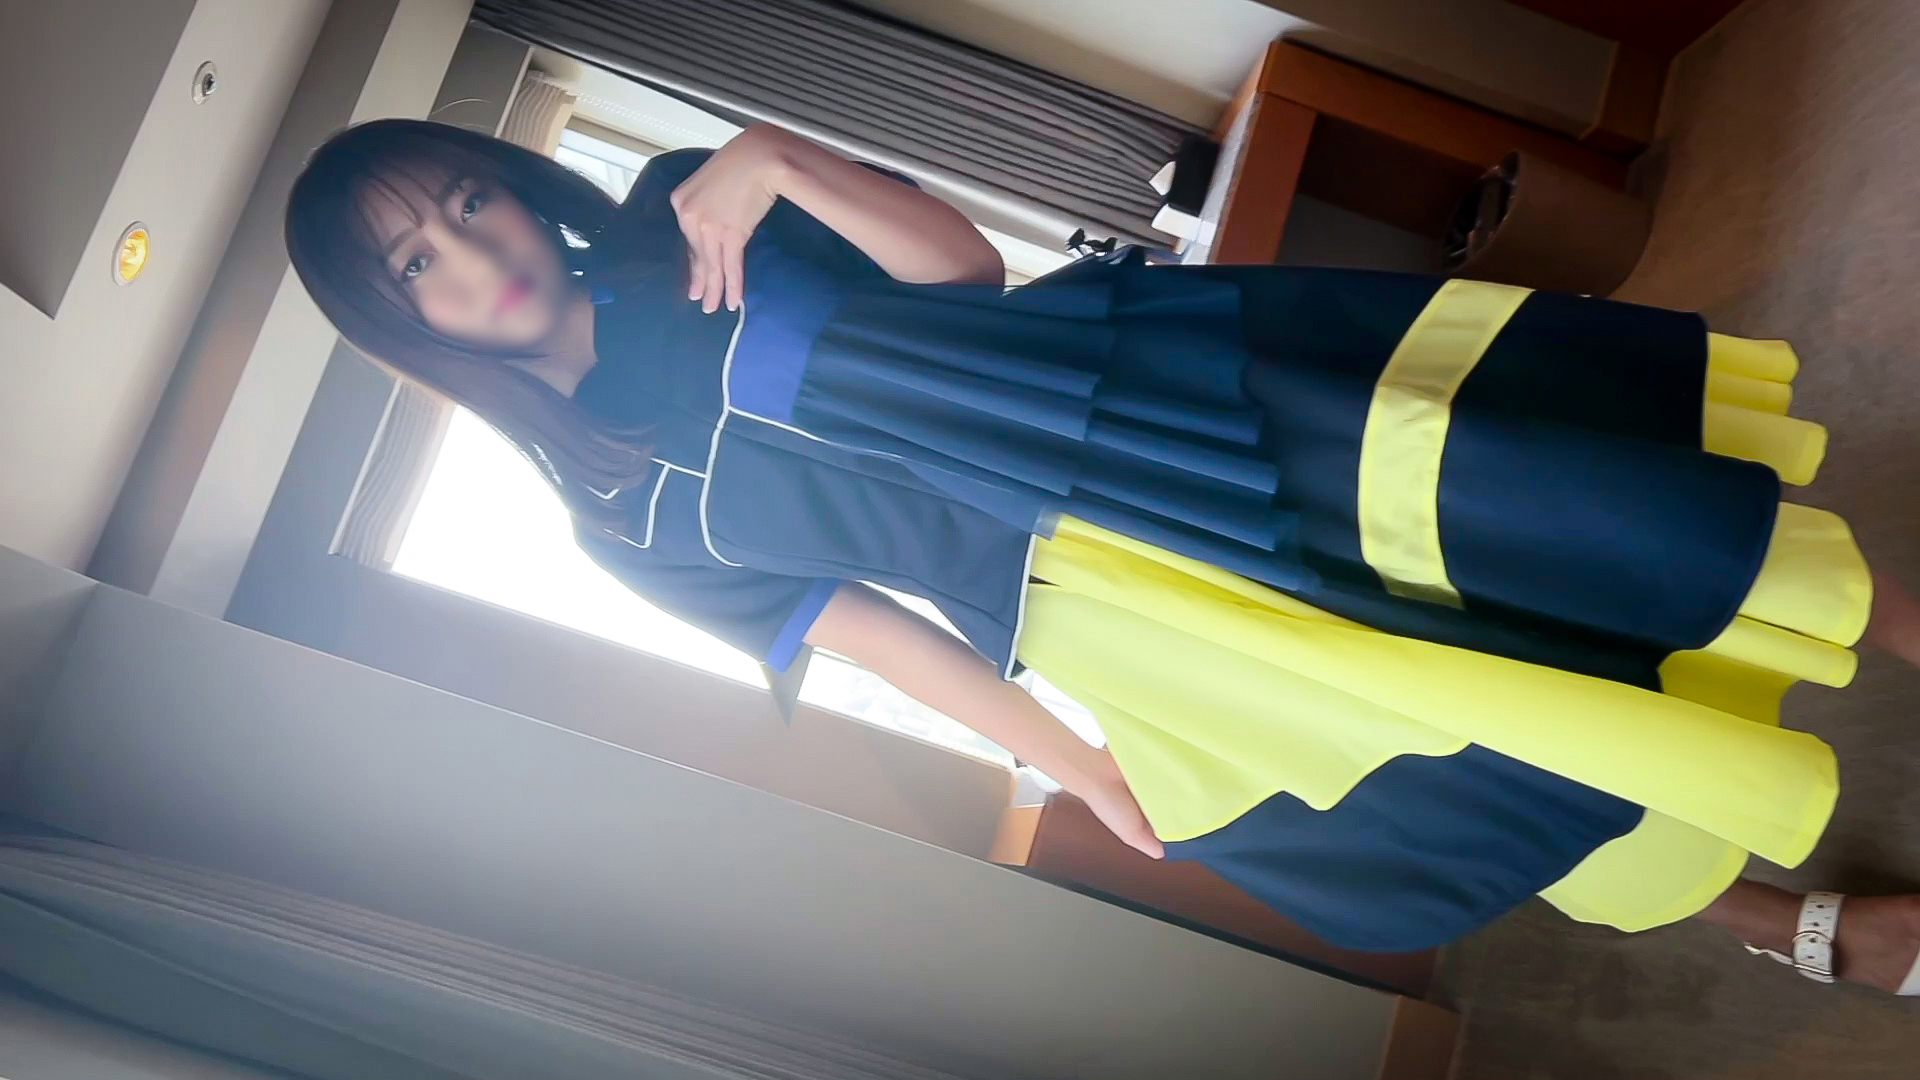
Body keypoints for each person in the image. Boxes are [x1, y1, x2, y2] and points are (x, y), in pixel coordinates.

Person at [286, 117, 1920, 993]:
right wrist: (1076, 767)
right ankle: (1777, 919)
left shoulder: (679, 210)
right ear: (399, 320)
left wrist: (778, 157)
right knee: (1434, 756)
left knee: (1538, 511)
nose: (469, 258)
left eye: (465, 206)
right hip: (1093, 607)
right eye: (416, 264)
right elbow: (864, 628)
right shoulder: (615, 513)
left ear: (516, 189)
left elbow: (959, 275)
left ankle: (1894, 624)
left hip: (1151, 408)